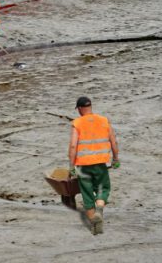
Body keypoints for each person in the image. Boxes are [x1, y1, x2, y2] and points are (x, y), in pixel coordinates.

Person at [68, 96, 119, 235]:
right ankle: (100, 210)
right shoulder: (104, 120)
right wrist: (115, 159)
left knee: (87, 193)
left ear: (79, 109)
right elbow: (113, 142)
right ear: (90, 107)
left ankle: (94, 225)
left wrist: (71, 166)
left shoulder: (77, 123)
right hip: (101, 164)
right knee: (103, 188)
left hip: (83, 166)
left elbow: (73, 146)